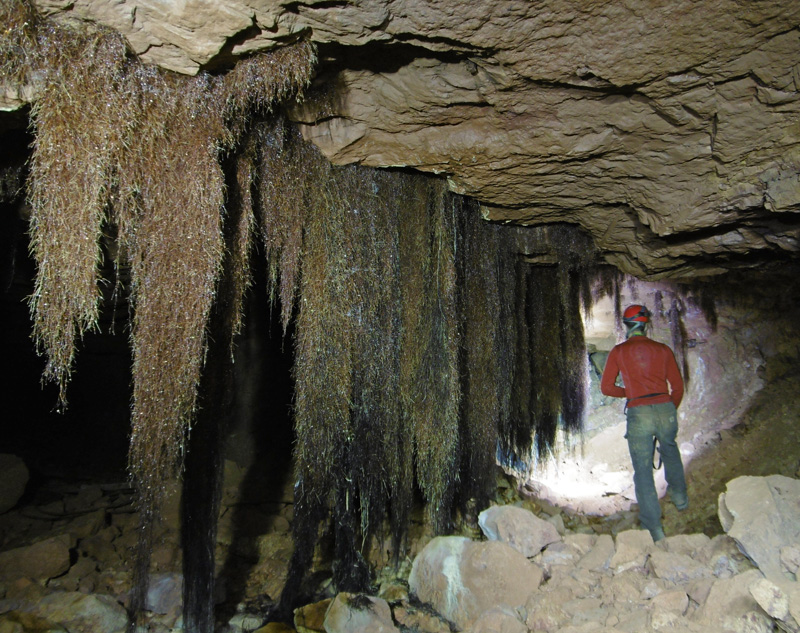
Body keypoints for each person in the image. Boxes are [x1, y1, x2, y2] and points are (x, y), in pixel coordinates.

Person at [600, 304, 688, 542]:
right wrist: (669, 407)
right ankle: (680, 498)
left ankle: (655, 528)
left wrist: (631, 393)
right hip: (665, 408)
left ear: (626, 325)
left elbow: (606, 387)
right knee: (670, 450)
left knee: (643, 470)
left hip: (639, 411)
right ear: (645, 323)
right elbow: (677, 387)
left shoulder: (619, 352)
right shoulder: (662, 349)